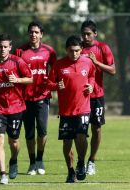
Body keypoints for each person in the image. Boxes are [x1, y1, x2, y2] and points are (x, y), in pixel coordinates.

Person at [0, 34, 33, 184]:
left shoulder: (18, 62)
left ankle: (14, 159)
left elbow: (30, 78)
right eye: (0, 47)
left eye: (5, 47)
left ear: (10, 47)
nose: (2, 49)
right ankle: (3, 174)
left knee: (14, 142)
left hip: (16, 107)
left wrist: (17, 80)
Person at [47, 35, 95, 183]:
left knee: (81, 135)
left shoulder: (87, 62)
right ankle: (70, 171)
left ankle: (81, 161)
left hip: (83, 108)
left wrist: (91, 86)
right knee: (67, 142)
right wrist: (56, 86)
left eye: (76, 50)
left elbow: (92, 75)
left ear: (81, 50)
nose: (74, 54)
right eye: (71, 51)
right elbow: (48, 83)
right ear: (66, 50)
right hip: (66, 111)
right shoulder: (59, 65)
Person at [15, 20, 57, 175]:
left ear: (41, 34)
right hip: (25, 97)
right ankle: (32, 163)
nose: (33, 34)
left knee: (43, 131)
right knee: (29, 132)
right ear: (28, 34)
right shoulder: (20, 51)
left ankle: (40, 159)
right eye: (31, 32)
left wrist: (52, 84)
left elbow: (55, 70)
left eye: (36, 32)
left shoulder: (49, 51)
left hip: (43, 96)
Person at [80, 19, 116, 175]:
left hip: (97, 96)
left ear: (95, 34)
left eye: (88, 34)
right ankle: (80, 161)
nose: (85, 37)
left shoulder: (103, 48)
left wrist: (96, 62)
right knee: (80, 131)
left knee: (97, 128)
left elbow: (113, 70)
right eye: (83, 34)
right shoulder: (77, 48)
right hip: (80, 97)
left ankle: (91, 161)